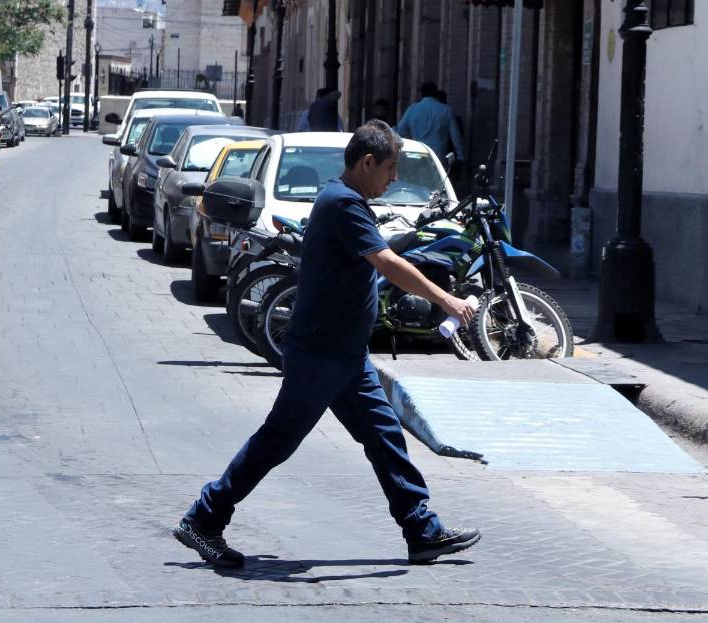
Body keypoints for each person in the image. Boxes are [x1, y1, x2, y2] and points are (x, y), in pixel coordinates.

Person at [172, 120, 481, 569]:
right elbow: (387, 262)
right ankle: (204, 517)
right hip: (320, 354)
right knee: (276, 441)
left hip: (346, 356)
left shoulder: (347, 201)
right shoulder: (341, 204)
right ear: (368, 162)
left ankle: (422, 530)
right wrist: (446, 299)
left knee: (385, 437)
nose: (394, 178)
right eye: (391, 168)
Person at [396, 80, 465, 162]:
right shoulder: (446, 110)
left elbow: (400, 131)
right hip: (438, 155)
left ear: (422, 94)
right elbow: (455, 136)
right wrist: (460, 156)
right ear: (436, 93)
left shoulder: (413, 109)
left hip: (417, 153)